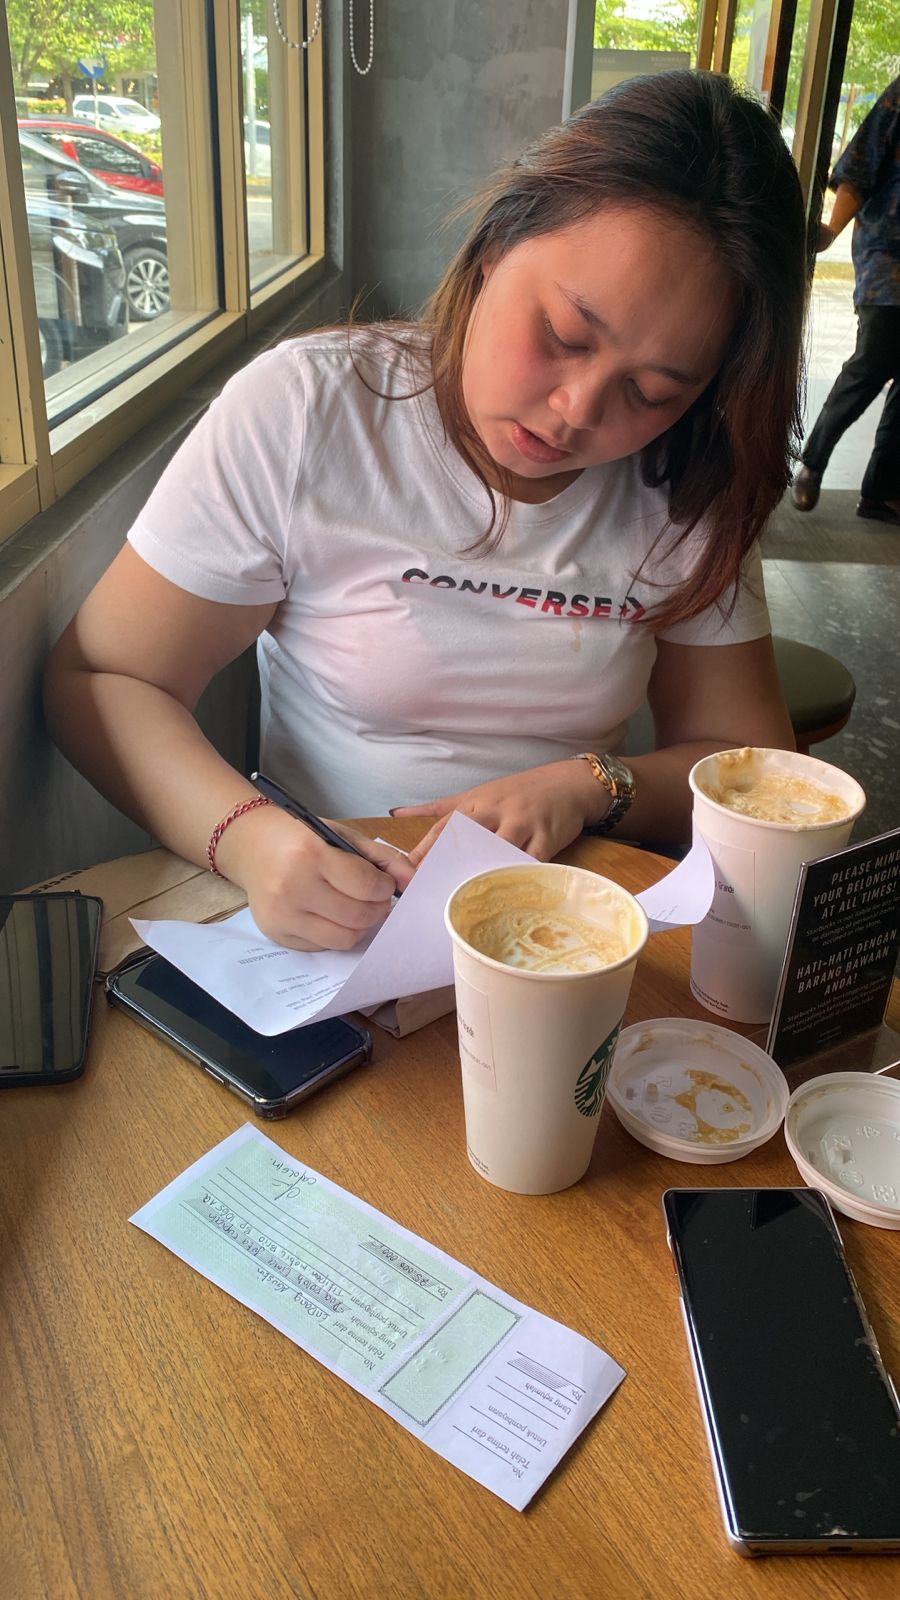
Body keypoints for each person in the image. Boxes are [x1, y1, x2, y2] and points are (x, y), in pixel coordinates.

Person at [44, 70, 805, 954]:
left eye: (652, 391)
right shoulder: (311, 412)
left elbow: (746, 765)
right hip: (340, 916)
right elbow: (105, 678)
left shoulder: (689, 478)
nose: (577, 411)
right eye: (563, 336)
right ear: (496, 246)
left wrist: (593, 785)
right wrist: (249, 840)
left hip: (571, 922)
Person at [792, 75, 900, 524]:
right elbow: (860, 164)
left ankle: (881, 492)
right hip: (889, 254)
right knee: (873, 359)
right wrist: (832, 231)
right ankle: (813, 463)